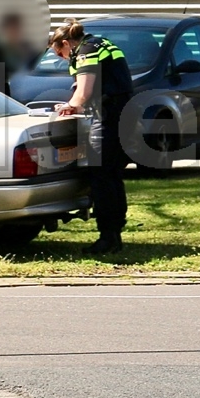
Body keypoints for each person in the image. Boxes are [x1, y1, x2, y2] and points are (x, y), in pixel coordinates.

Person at [51, 20, 133, 256]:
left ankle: (108, 237)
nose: (63, 58)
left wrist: (69, 106)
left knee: (100, 175)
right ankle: (115, 230)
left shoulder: (85, 51)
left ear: (66, 43)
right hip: (123, 114)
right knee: (113, 174)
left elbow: (84, 91)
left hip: (110, 118)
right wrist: (76, 106)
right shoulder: (101, 43)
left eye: (60, 53)